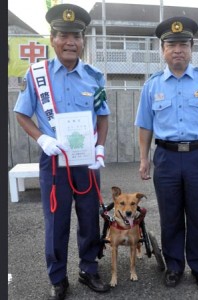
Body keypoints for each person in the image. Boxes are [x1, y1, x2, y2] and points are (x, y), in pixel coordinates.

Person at [14, 3, 111, 299]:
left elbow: (103, 115)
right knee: (56, 221)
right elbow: (21, 114)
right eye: (64, 35)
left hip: (85, 162)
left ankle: (88, 269)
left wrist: (100, 149)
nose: (71, 42)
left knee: (89, 219)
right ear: (53, 39)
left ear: (83, 40)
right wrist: (42, 138)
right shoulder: (36, 75)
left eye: (77, 36)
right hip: (54, 161)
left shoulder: (94, 76)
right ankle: (57, 278)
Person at [135, 16, 198, 289]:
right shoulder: (152, 85)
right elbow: (145, 125)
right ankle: (174, 265)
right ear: (162, 49)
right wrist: (144, 159)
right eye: (172, 44)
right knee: (171, 215)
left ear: (192, 48)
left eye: (184, 44)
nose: (178, 50)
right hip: (165, 157)